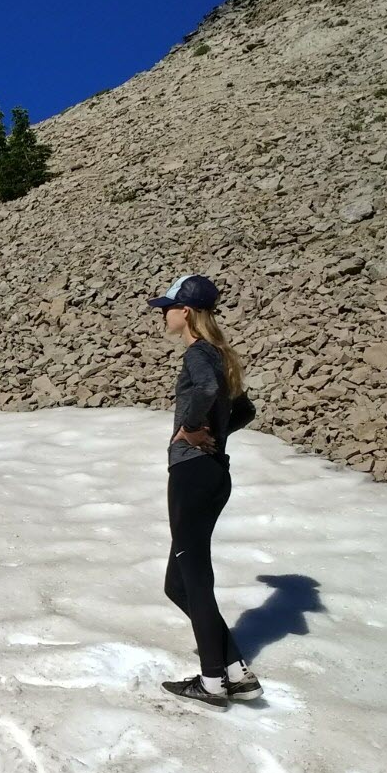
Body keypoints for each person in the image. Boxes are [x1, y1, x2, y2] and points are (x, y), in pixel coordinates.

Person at [148, 274, 261, 708]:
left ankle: (213, 681)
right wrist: (215, 433)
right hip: (212, 473)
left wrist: (192, 429)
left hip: (192, 474)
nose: (163, 314)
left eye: (167, 307)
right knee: (178, 583)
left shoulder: (198, 353)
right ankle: (235, 670)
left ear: (187, 311)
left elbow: (208, 390)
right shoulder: (220, 354)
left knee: (193, 577)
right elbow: (245, 409)